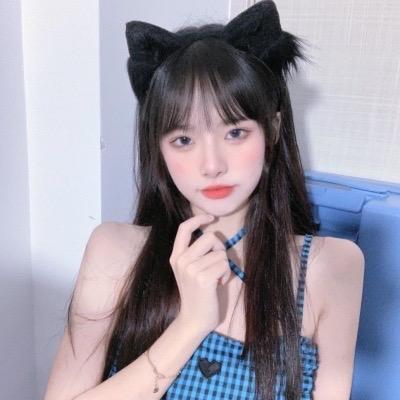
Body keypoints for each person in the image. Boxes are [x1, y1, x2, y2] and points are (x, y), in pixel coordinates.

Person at [44, 1, 364, 399]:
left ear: (272, 129)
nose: (212, 165)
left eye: (235, 133)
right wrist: (190, 325)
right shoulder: (116, 251)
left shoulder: (330, 266)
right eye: (184, 139)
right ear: (158, 148)